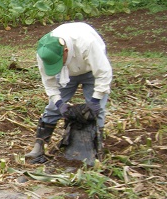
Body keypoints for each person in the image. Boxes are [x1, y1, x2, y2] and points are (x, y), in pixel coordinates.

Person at [25, 22, 113, 161]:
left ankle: (97, 149)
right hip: (66, 73)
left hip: (90, 69)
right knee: (53, 108)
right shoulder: (44, 53)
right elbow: (49, 83)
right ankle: (39, 146)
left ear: (65, 51)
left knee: (98, 111)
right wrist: (59, 103)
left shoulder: (87, 43)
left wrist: (95, 100)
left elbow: (103, 73)